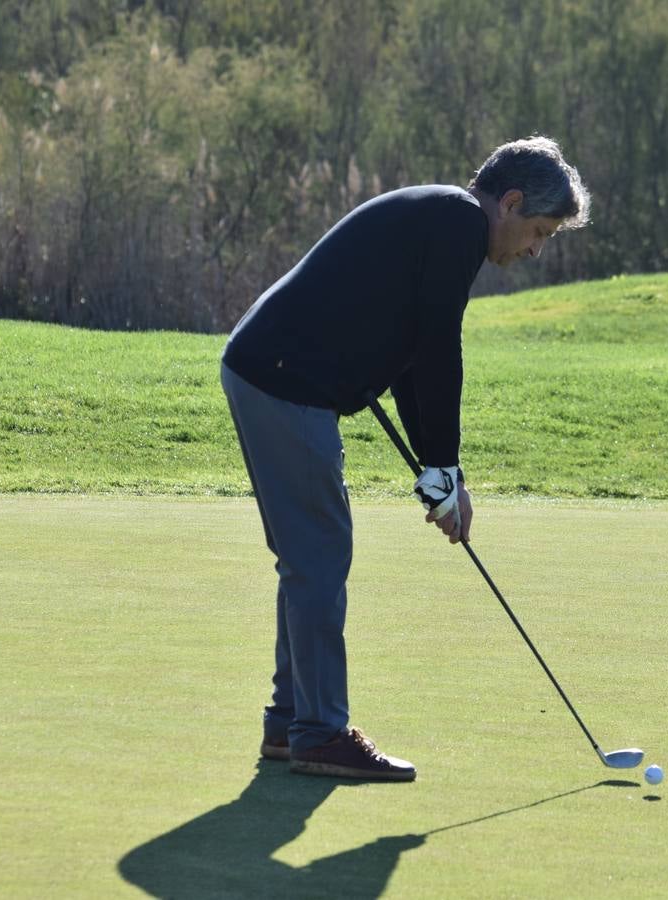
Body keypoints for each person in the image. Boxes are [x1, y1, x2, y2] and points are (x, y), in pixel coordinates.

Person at [220, 136, 590, 781]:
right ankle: (319, 733)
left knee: (309, 557)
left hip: (271, 372)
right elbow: (441, 349)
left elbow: (415, 362)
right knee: (319, 556)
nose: (535, 249)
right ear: (509, 202)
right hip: (282, 381)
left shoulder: (445, 224)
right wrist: (443, 467)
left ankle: (291, 724)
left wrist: (438, 470)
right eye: (538, 232)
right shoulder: (456, 223)